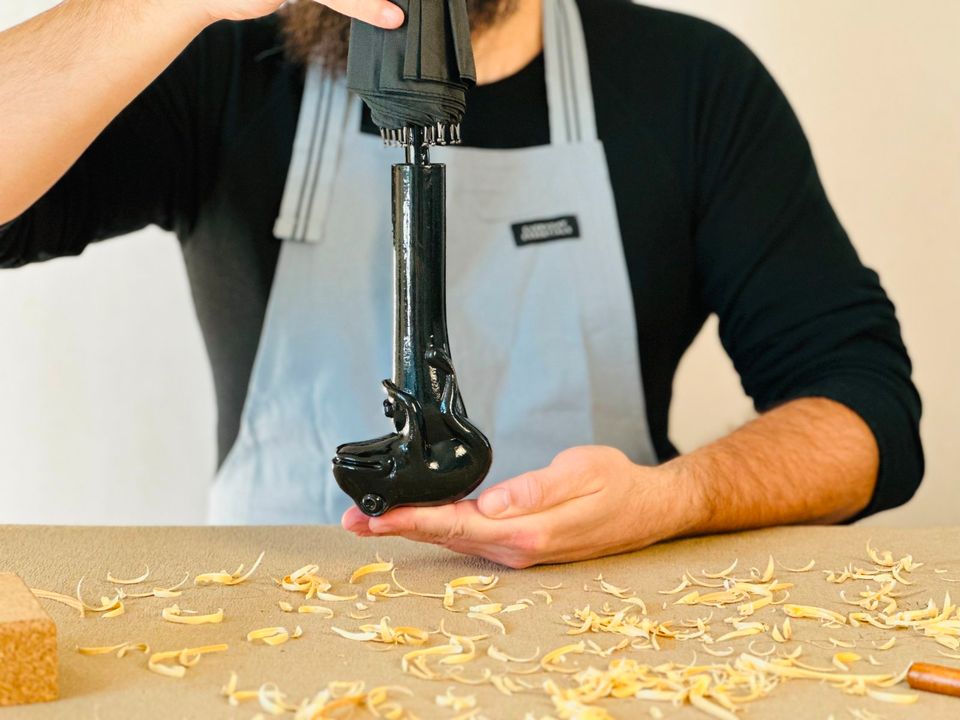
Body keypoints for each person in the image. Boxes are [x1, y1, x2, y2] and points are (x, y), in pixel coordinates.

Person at [0, 0, 923, 568]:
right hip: (268, 626)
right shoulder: (224, 68)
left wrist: (676, 499)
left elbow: (864, 410)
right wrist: (150, 5)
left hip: (596, 641)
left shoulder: (689, 83)